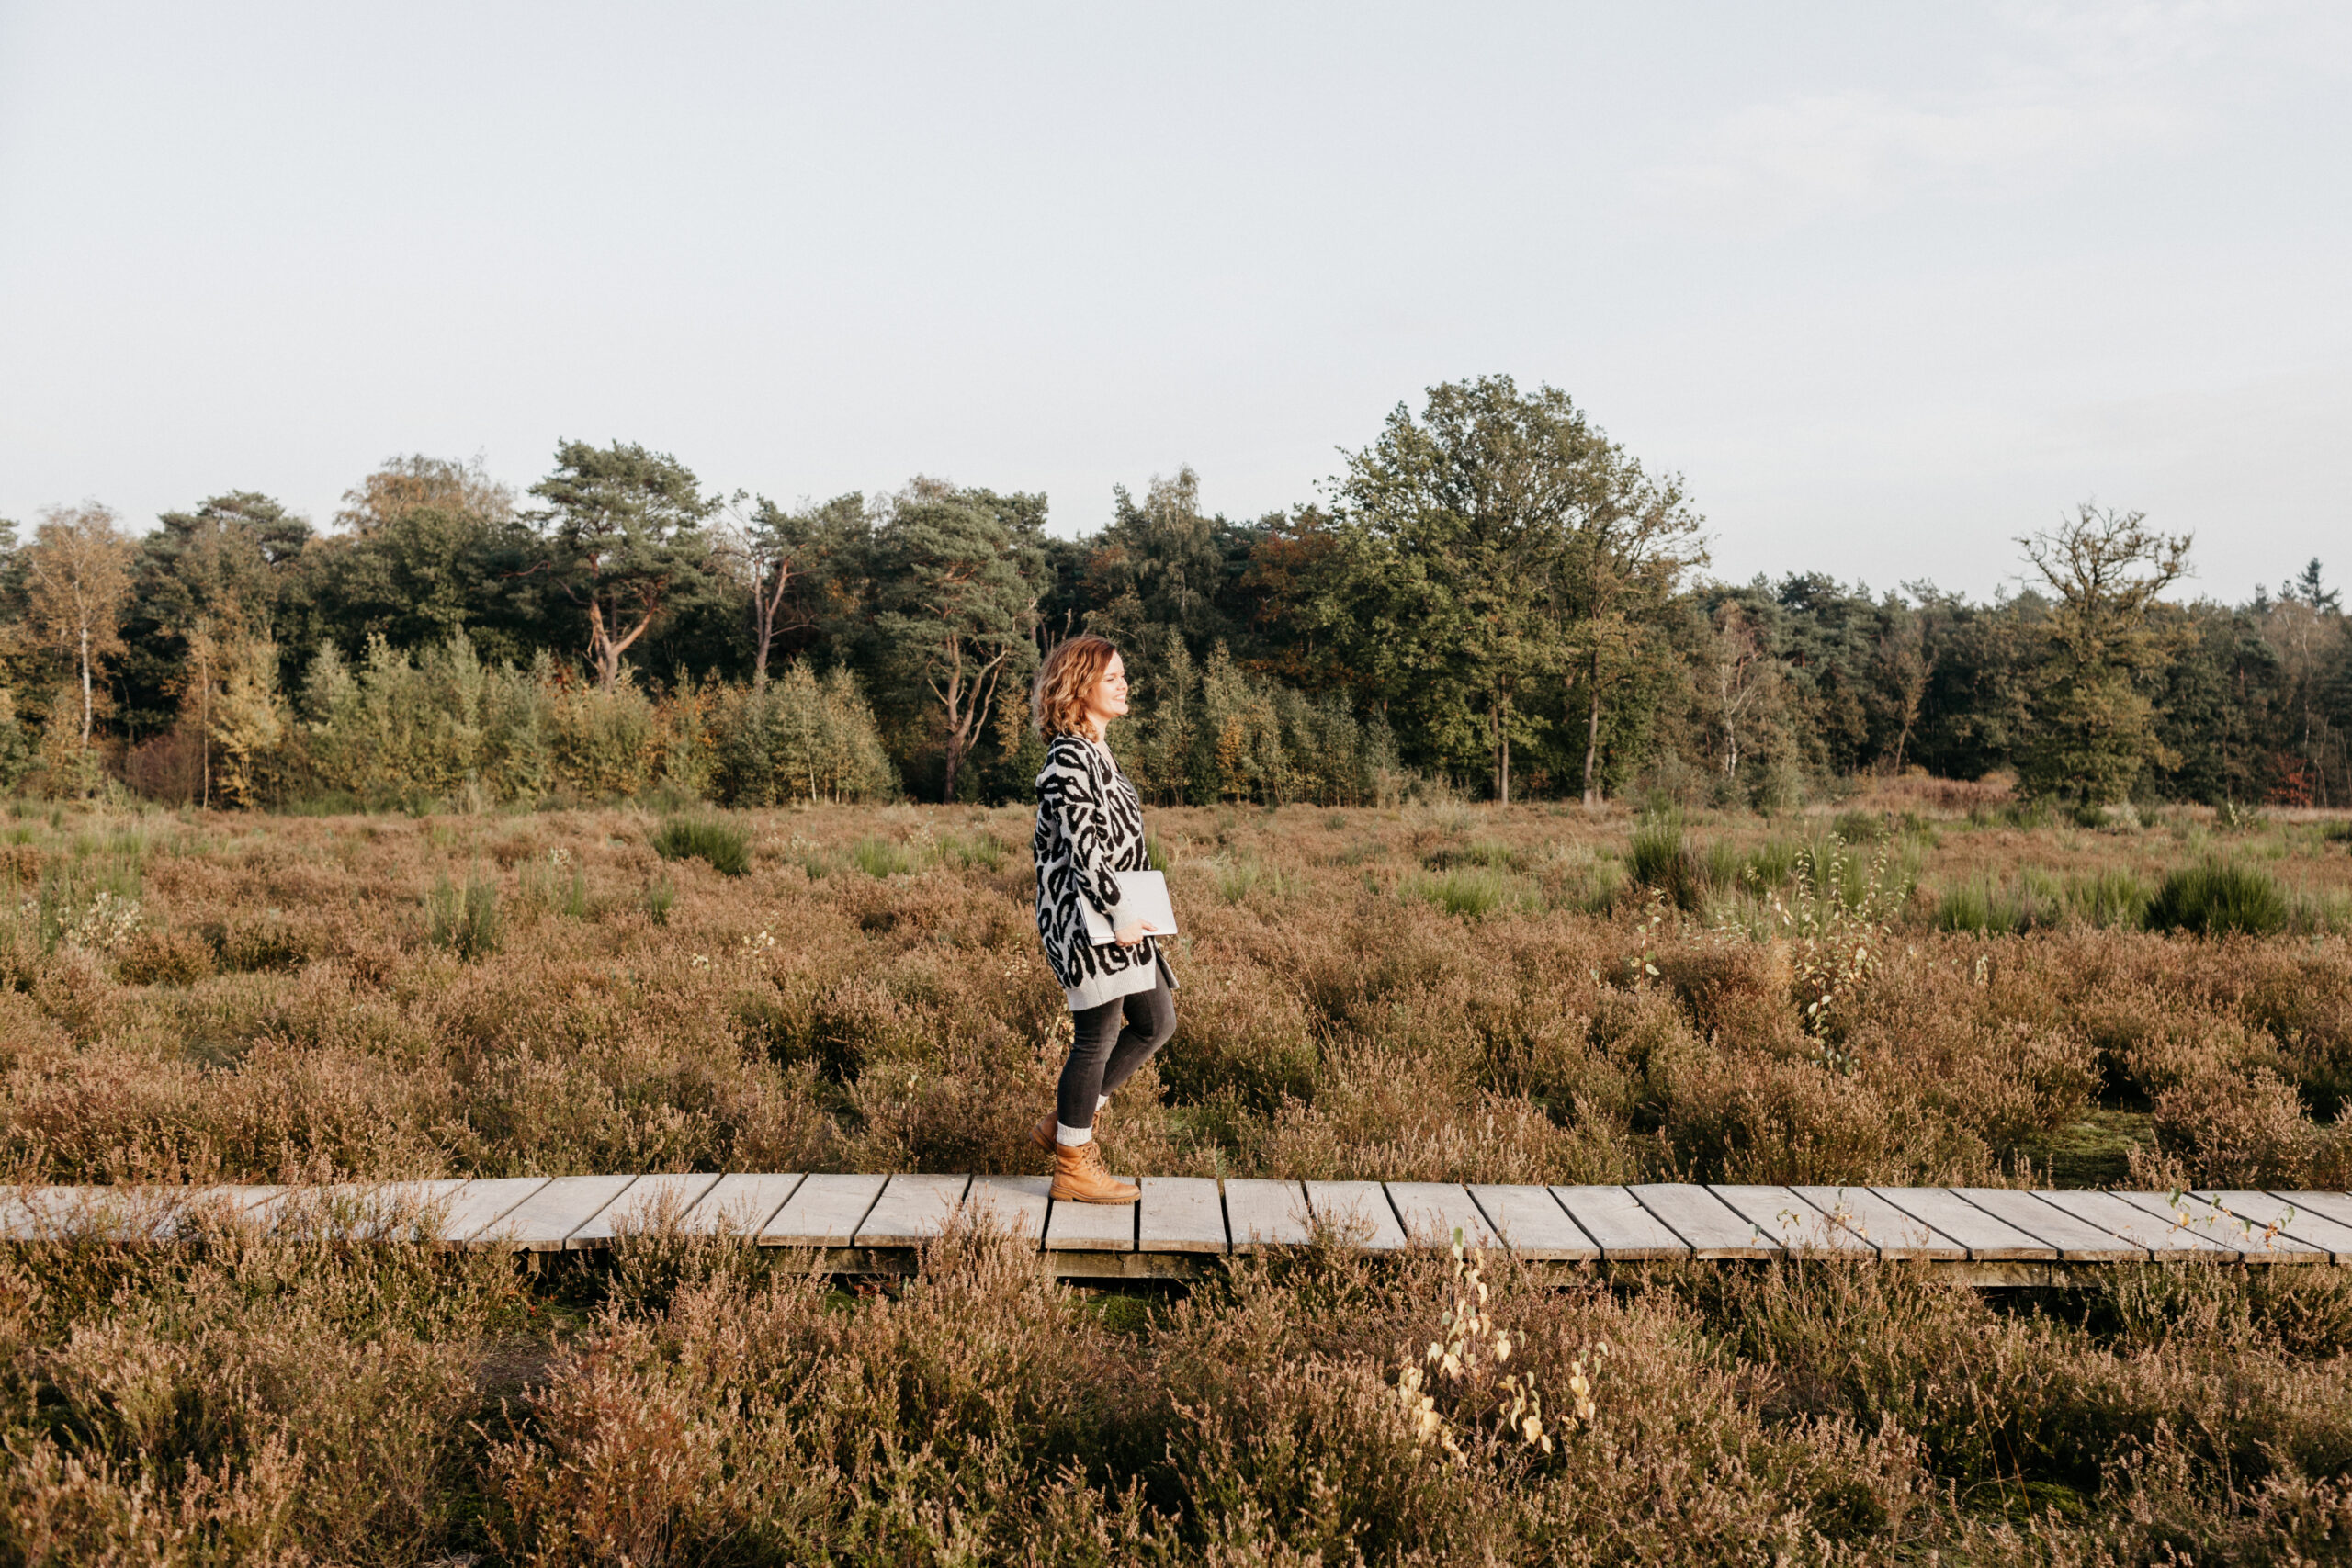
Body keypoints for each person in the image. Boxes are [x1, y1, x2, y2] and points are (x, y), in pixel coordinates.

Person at [1029, 635, 1178, 1204]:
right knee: (1096, 1036)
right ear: (1079, 687)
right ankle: (1073, 1164)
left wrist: (1132, 910)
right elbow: (1084, 845)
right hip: (1089, 919)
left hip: (1121, 913)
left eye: (1122, 676)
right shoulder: (1068, 755)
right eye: (1112, 677)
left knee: (1156, 1022)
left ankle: (1063, 1123)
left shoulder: (1097, 752)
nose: (1124, 685)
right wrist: (1119, 913)